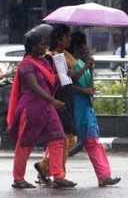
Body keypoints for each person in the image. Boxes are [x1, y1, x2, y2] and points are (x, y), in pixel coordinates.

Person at [6, 24, 77, 189]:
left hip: (47, 107)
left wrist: (62, 74)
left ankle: (58, 176)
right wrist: (53, 101)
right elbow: (34, 87)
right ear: (31, 46)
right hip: (32, 109)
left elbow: (52, 81)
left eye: (45, 44)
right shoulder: (26, 64)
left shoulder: (45, 61)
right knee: (25, 143)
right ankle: (18, 178)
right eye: (41, 44)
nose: (44, 47)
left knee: (59, 138)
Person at [34, 24, 91, 184]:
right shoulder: (54, 56)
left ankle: (46, 170)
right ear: (59, 39)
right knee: (65, 139)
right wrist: (85, 66)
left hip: (63, 99)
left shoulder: (63, 54)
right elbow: (68, 78)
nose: (69, 40)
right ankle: (52, 171)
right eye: (67, 37)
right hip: (60, 100)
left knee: (61, 139)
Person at [69, 30, 121, 187]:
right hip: (78, 108)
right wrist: (85, 67)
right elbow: (70, 84)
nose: (87, 48)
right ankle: (47, 168)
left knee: (92, 142)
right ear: (78, 46)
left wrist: (90, 68)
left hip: (87, 108)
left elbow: (90, 87)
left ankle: (104, 175)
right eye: (84, 45)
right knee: (88, 142)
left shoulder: (83, 63)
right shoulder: (71, 63)